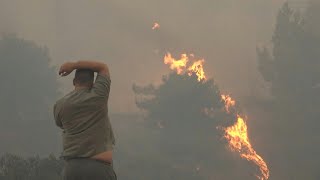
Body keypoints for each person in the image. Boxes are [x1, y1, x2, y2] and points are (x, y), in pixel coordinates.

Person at [53, 61, 116, 180]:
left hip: (72, 170)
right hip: (99, 169)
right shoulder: (98, 96)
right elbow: (103, 67)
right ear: (93, 83)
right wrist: (73, 65)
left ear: (73, 82)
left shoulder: (60, 106)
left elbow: (61, 124)